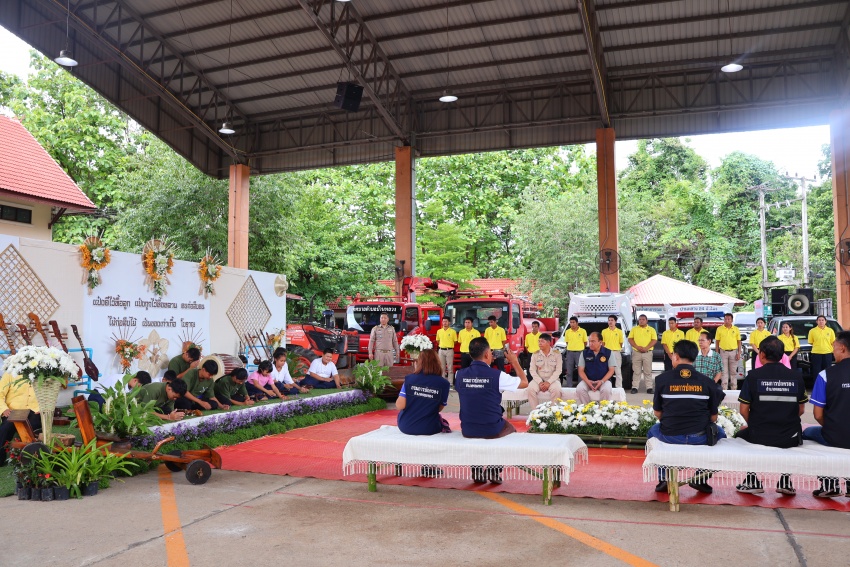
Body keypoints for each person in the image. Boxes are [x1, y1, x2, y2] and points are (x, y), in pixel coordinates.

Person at [648, 339, 725, 494]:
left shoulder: (662, 380)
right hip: (700, 437)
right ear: (694, 357)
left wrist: (673, 424)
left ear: (675, 356)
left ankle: (664, 478)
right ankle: (701, 478)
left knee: (652, 432)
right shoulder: (707, 382)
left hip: (670, 436)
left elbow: (657, 413)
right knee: (722, 435)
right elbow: (713, 417)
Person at [735, 336, 808, 495]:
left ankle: (752, 480)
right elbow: (801, 409)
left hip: (759, 434)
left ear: (761, 354)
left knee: (740, 435)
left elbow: (743, 409)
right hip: (790, 436)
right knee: (791, 438)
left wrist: (754, 424)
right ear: (782, 355)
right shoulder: (796, 376)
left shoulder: (753, 376)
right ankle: (785, 481)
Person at [455, 337, 528, 483]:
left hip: (467, 428)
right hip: (491, 427)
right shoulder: (498, 376)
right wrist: (514, 361)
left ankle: (476, 471)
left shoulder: (459, 374)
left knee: (478, 425)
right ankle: (493, 470)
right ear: (487, 354)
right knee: (510, 430)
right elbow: (525, 382)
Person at [802, 330, 850, 498]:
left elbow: (817, 415)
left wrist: (832, 428)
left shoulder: (825, 375)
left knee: (806, 433)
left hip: (835, 435)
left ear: (842, 348)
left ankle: (829, 483)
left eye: (834, 347)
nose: (832, 351)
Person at [0, 370, 40, 466]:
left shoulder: (41, 372)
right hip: (13, 410)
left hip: (35, 410)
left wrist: (42, 408)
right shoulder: (9, 373)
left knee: (34, 427)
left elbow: (48, 392)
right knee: (5, 429)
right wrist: (4, 409)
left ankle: (33, 459)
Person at [576, 332, 615, 404]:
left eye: (593, 341)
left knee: (606, 390)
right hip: (588, 380)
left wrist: (601, 381)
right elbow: (581, 370)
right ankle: (588, 408)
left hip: (604, 381)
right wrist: (587, 381)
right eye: (589, 341)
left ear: (600, 342)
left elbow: (611, 370)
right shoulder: (584, 353)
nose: (590, 343)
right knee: (580, 389)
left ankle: (603, 409)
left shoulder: (608, 353)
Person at [527, 333, 562, 408]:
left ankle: (552, 412)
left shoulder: (557, 354)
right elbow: (532, 370)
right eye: (539, 341)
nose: (539, 343)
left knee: (557, 390)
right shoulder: (535, 354)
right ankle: (536, 412)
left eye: (542, 341)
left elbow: (558, 370)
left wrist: (548, 382)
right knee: (530, 389)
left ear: (548, 343)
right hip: (538, 380)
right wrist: (540, 382)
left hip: (553, 380)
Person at [628, 314, 657, 394]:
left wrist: (646, 347)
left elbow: (654, 340)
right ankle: (635, 387)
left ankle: (649, 388)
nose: (641, 321)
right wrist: (637, 347)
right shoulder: (634, 329)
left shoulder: (651, 329)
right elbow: (630, 339)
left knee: (648, 371)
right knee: (636, 371)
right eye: (640, 319)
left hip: (647, 353)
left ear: (646, 321)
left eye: (643, 319)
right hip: (636, 353)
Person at [714, 313, 742, 390]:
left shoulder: (736, 329)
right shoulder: (719, 329)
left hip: (734, 352)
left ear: (732, 320)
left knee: (733, 372)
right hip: (723, 352)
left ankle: (734, 388)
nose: (727, 320)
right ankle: (724, 389)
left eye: (729, 319)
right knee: (724, 372)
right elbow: (717, 342)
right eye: (725, 319)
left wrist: (739, 353)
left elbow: (739, 342)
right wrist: (717, 353)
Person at [562, 316, 588, 387]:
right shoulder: (567, 332)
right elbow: (567, 342)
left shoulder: (583, 331)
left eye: (573, 322)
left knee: (581, 370)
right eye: (571, 322)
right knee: (569, 371)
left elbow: (585, 342)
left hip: (580, 352)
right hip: (570, 353)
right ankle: (569, 386)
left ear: (577, 323)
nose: (572, 324)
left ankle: (580, 386)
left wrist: (580, 348)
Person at [601, 315, 624, 387]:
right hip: (606, 353)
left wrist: (615, 348)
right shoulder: (604, 331)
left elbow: (621, 343)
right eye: (609, 320)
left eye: (612, 320)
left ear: (615, 321)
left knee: (618, 371)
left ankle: (619, 387)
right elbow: (603, 343)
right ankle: (605, 386)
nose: (610, 322)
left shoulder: (619, 331)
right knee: (605, 370)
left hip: (616, 352)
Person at [435, 317, 458, 384]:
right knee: (442, 367)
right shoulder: (439, 331)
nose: (444, 323)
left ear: (449, 322)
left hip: (449, 350)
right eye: (443, 321)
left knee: (450, 367)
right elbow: (437, 340)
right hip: (441, 350)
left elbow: (455, 341)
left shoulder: (453, 331)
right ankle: (442, 382)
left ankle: (450, 383)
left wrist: (449, 345)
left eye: (446, 321)